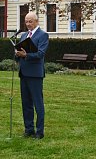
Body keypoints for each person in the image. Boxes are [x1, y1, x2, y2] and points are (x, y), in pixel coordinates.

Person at [15, 12, 49, 140]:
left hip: (35, 75)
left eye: (30, 21)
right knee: (26, 103)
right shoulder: (23, 35)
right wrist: (17, 54)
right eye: (26, 21)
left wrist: (26, 55)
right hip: (23, 73)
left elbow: (40, 54)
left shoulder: (43, 35)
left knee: (37, 103)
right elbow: (20, 52)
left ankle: (39, 132)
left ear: (36, 21)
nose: (28, 24)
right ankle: (28, 129)